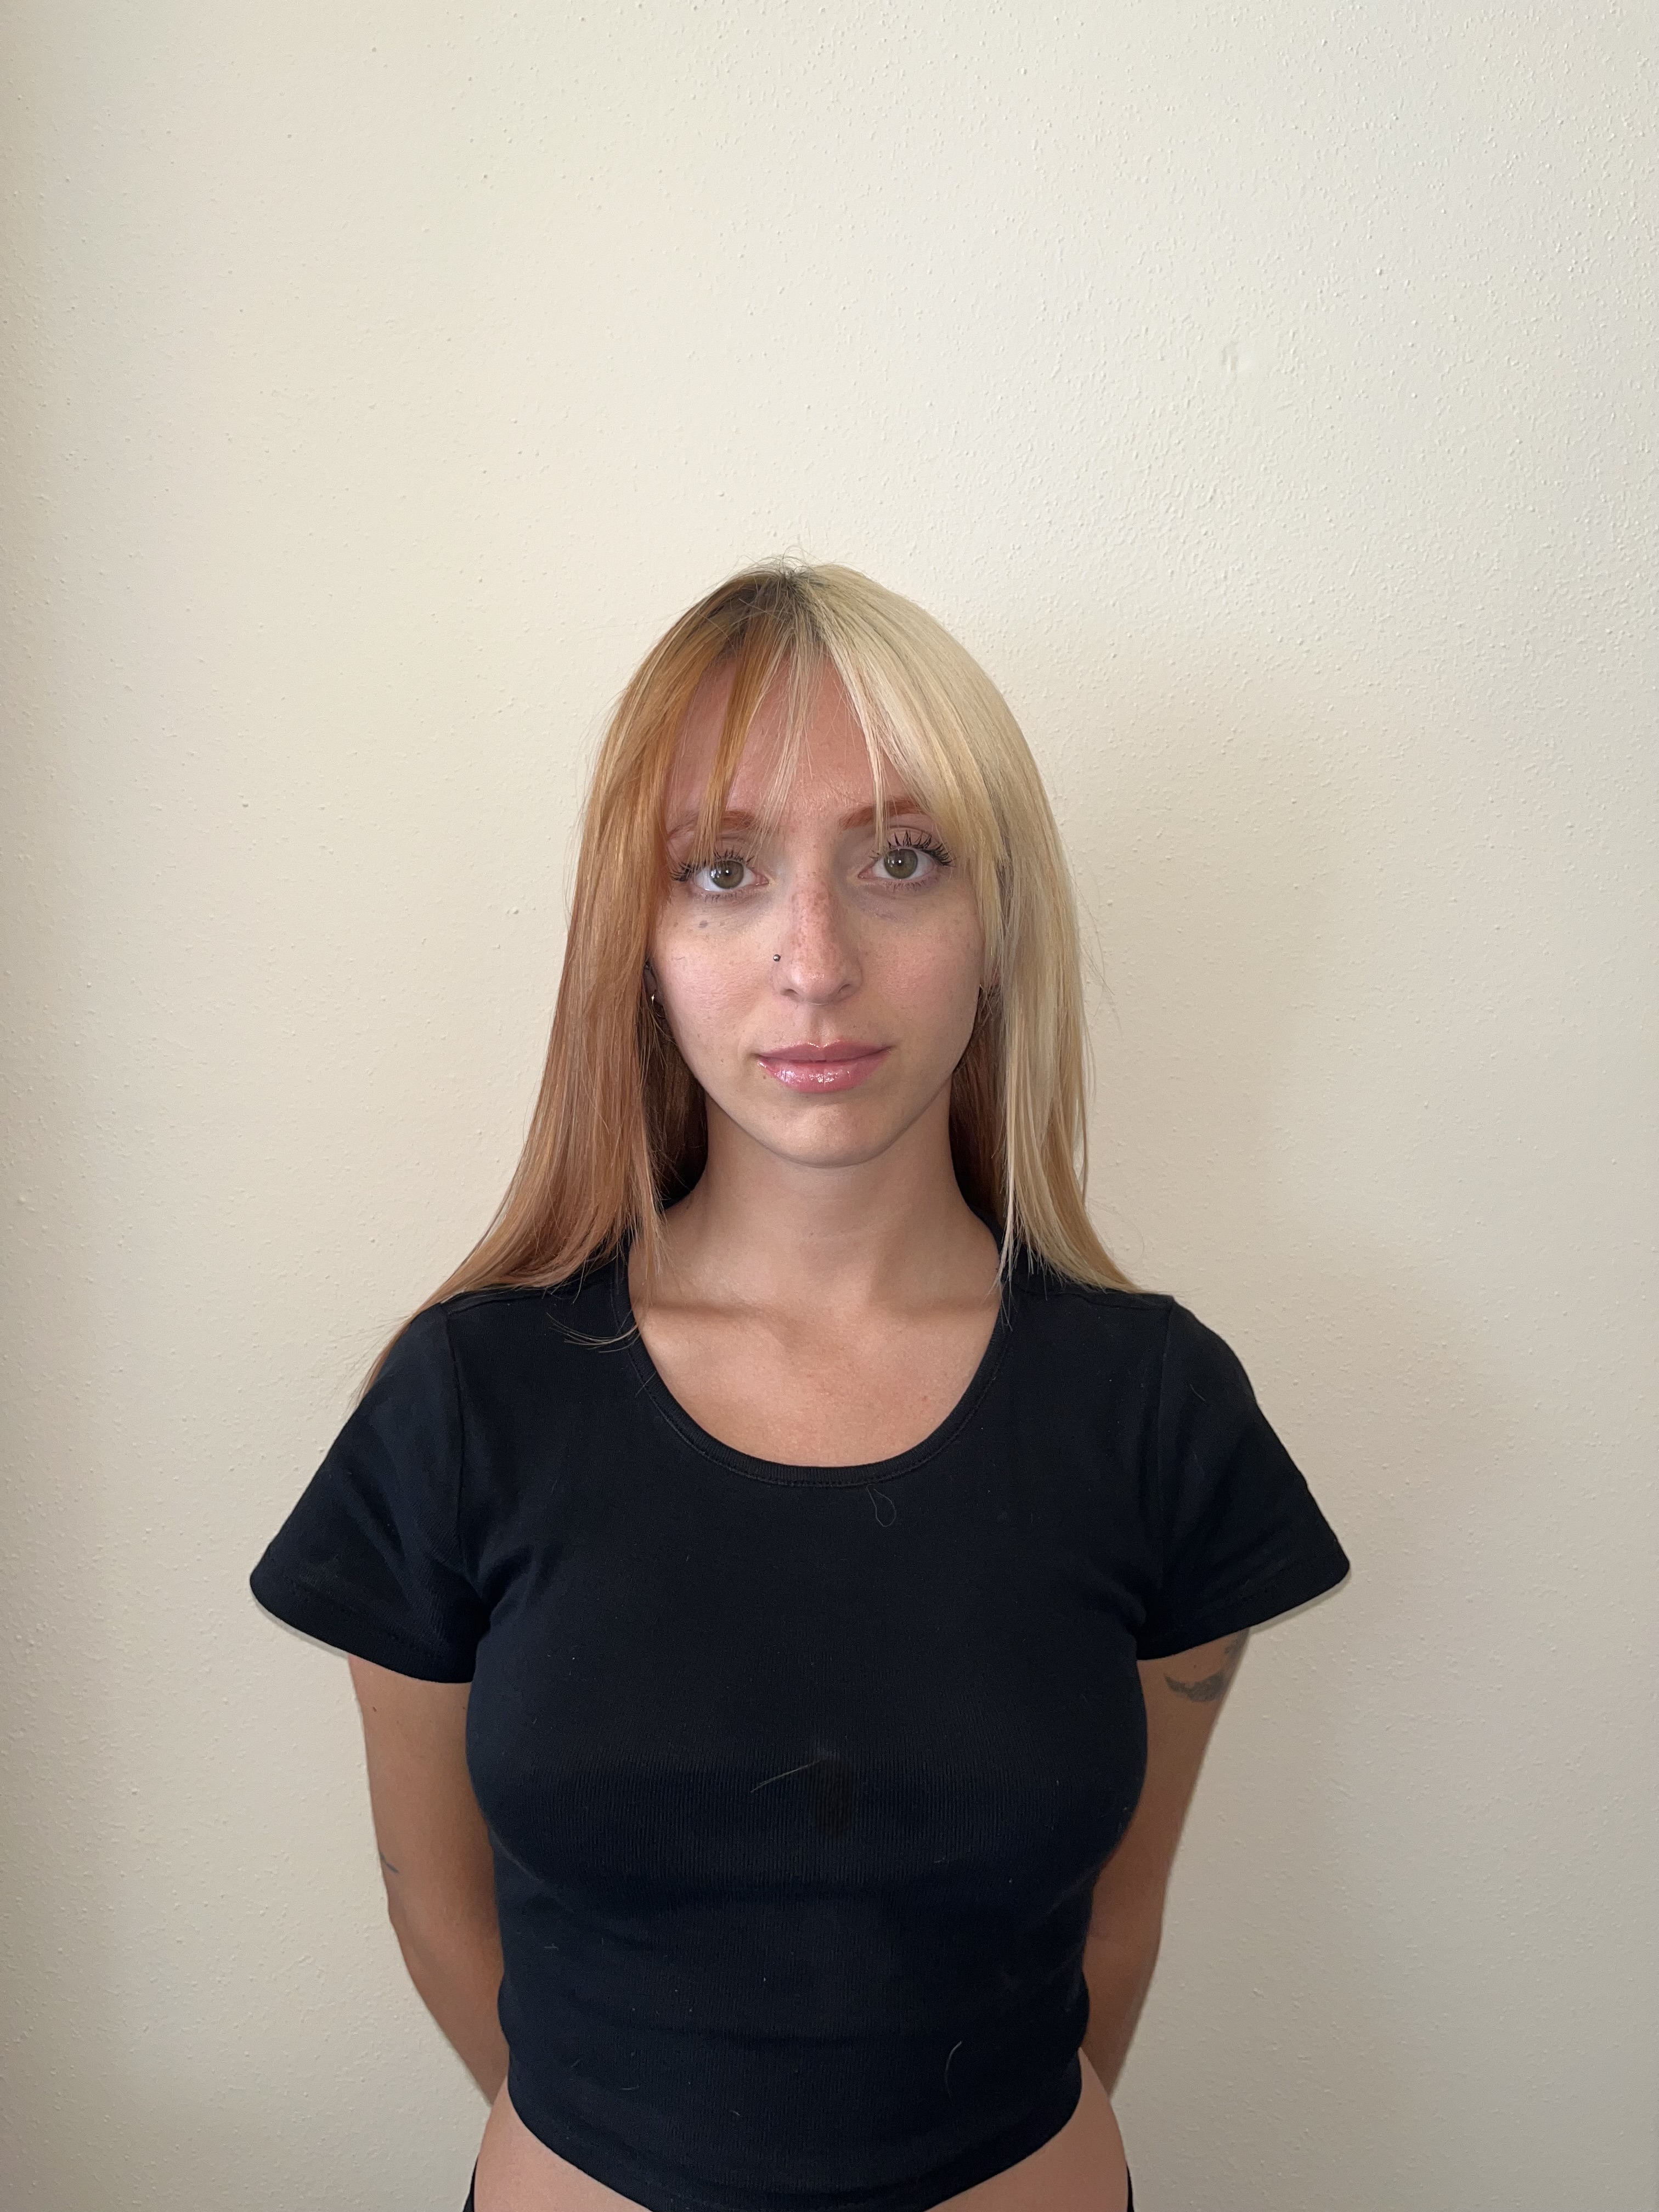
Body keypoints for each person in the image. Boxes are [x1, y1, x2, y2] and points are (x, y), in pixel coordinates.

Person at [250, 560, 1349, 2212]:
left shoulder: (1160, 1414)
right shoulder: (468, 1405)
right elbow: (434, 1905)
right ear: (638, 942)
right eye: (723, 871)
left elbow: (1115, 1931)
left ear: (997, 924)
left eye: (902, 859)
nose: (814, 960)